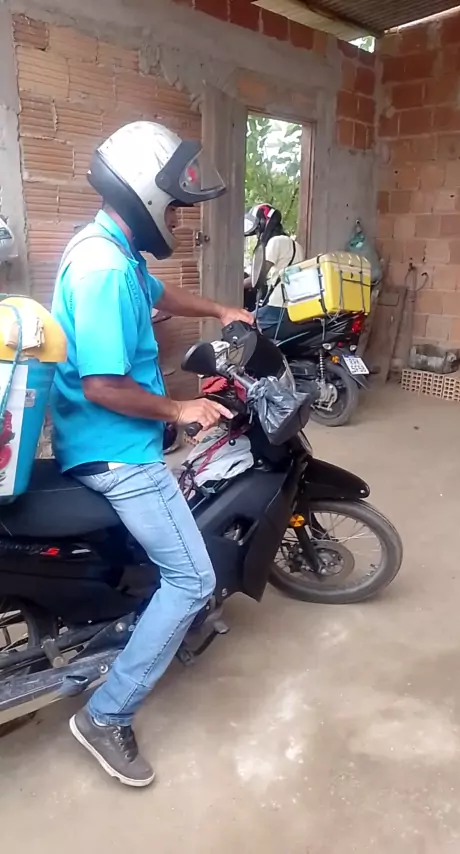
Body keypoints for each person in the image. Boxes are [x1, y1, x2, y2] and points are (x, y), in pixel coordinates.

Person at [50, 121, 252, 787]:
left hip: (105, 439)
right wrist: (180, 409)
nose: (177, 219)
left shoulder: (112, 247)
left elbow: (158, 293)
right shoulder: (105, 269)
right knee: (192, 580)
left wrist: (220, 308)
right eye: (174, 207)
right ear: (144, 195)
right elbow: (104, 385)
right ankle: (106, 713)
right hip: (115, 450)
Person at [243, 204, 304, 331]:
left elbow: (257, 277)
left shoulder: (275, 242)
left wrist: (239, 286)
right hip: (293, 305)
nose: (257, 235)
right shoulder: (297, 245)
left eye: (257, 230)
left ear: (263, 223)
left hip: (277, 305)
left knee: (242, 324)